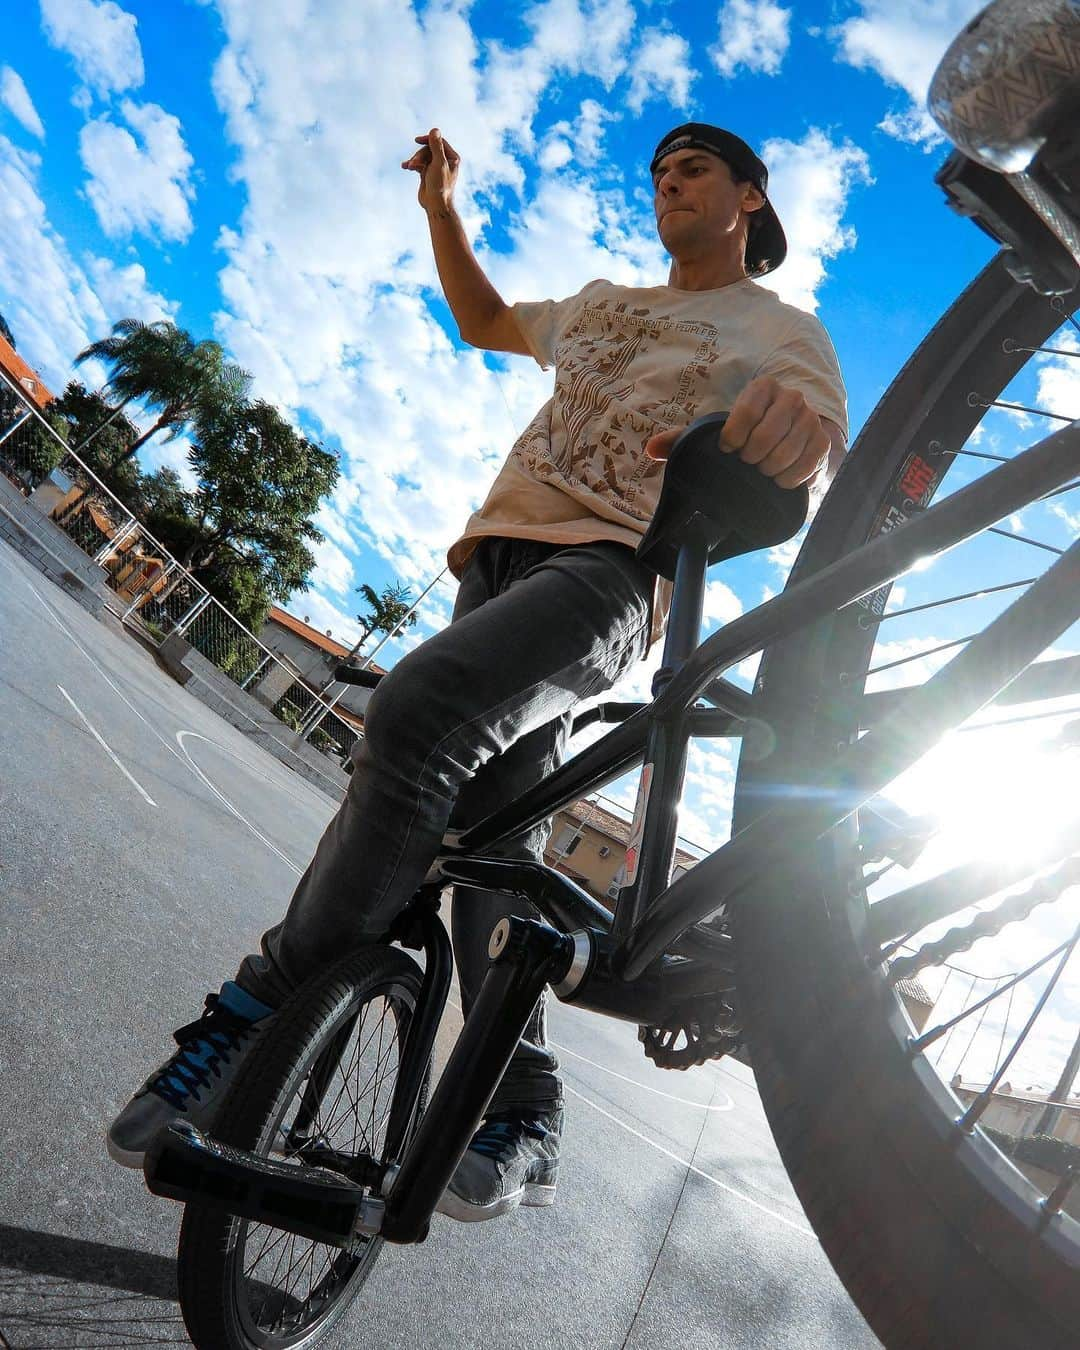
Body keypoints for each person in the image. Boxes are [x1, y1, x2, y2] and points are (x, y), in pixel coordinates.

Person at [108, 121, 848, 1222]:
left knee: (418, 710)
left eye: (693, 171)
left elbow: (817, 438)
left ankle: (253, 1011)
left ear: (751, 195)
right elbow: (483, 318)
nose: (668, 187)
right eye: (657, 175)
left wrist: (798, 439)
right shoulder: (603, 304)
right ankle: (526, 1107)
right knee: (494, 867)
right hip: (491, 563)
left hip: (607, 575)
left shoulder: (778, 329)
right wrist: (441, 209)